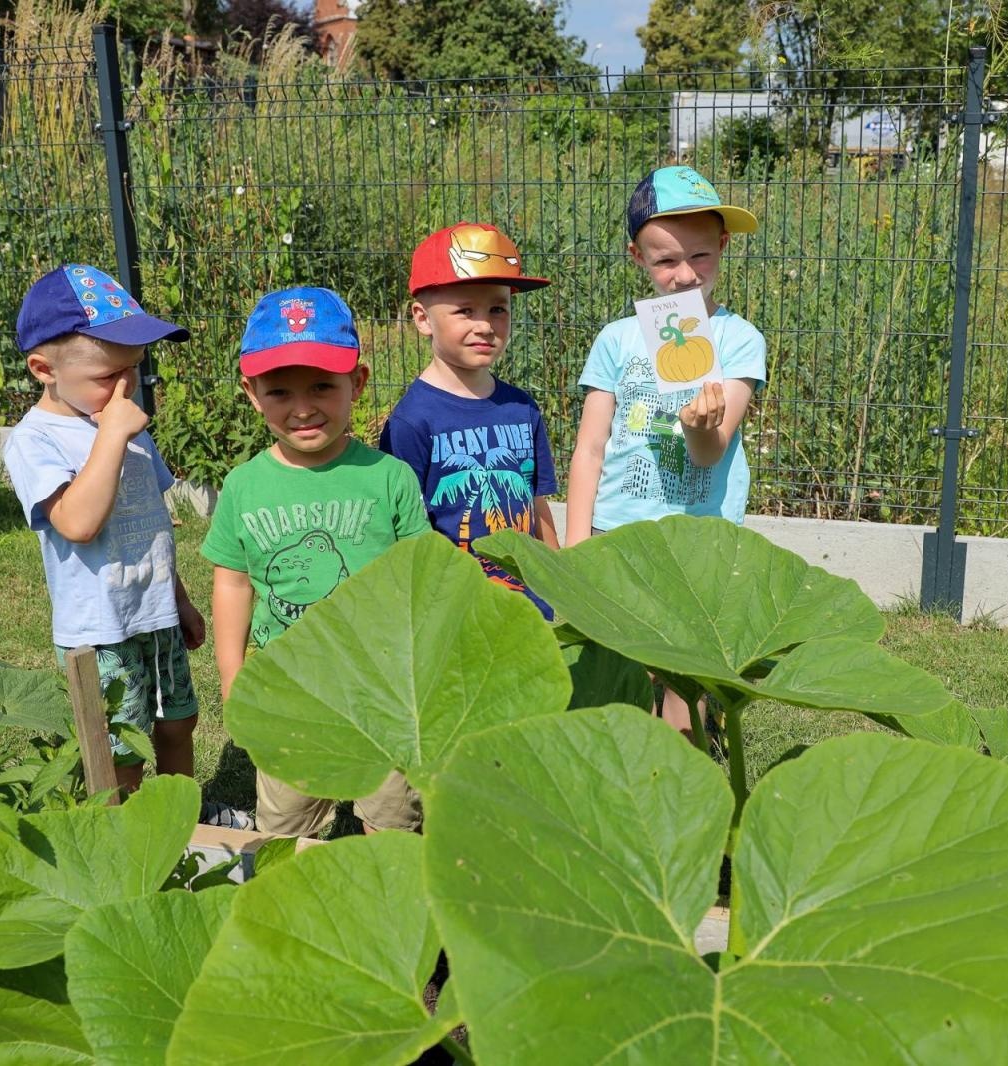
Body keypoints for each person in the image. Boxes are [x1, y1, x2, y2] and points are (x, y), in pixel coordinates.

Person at [202, 286, 432, 837]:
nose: (303, 408)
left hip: (382, 691)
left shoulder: (389, 478)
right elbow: (232, 584)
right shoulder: (243, 486)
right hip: (290, 692)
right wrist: (233, 678)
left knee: (396, 822)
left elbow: (419, 578)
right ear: (251, 393)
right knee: (285, 824)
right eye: (279, 391)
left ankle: (392, 910)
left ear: (357, 382)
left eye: (323, 387)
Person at [566, 165, 766, 733]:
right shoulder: (616, 339)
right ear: (637, 259)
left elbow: (710, 453)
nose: (684, 276)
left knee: (686, 678)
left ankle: (689, 769)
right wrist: (578, 543)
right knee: (618, 670)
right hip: (617, 530)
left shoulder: (738, 340)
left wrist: (701, 426)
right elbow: (590, 449)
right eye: (665, 262)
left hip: (698, 537)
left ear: (723, 246)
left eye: (700, 257)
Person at [3, 264, 205, 796]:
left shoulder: (122, 425)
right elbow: (78, 523)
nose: (124, 389)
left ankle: (183, 819)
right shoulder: (36, 440)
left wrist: (177, 597)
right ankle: (128, 833)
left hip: (154, 613)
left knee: (178, 724)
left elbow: (154, 526)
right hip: (101, 631)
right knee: (122, 748)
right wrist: (111, 436)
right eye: (106, 376)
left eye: (133, 370)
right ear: (43, 368)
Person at [379, 222, 560, 614]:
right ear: (423, 318)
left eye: (498, 308)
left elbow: (538, 506)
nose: (485, 325)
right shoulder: (409, 423)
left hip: (532, 607)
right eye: (465, 310)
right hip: (454, 609)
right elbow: (406, 534)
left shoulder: (523, 408)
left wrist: (560, 587)